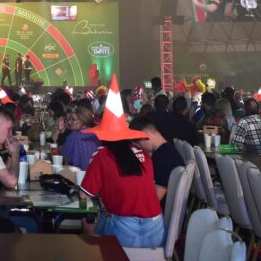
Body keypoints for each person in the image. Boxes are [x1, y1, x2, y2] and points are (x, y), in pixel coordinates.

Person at [79, 74, 164, 248]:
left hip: (124, 233)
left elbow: (84, 196)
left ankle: (94, 255)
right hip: (157, 231)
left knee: (88, 220)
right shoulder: (144, 155)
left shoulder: (102, 154)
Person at [129, 117, 184, 210]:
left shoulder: (163, 157)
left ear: (145, 137)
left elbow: (156, 196)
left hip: (159, 211)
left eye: (137, 143)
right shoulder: (168, 150)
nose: (138, 147)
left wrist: (131, 205)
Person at [61, 101, 101, 170]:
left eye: (73, 119)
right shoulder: (97, 133)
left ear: (83, 120)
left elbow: (63, 155)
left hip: (79, 173)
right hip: (95, 172)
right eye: (69, 119)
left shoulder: (74, 136)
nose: (69, 122)